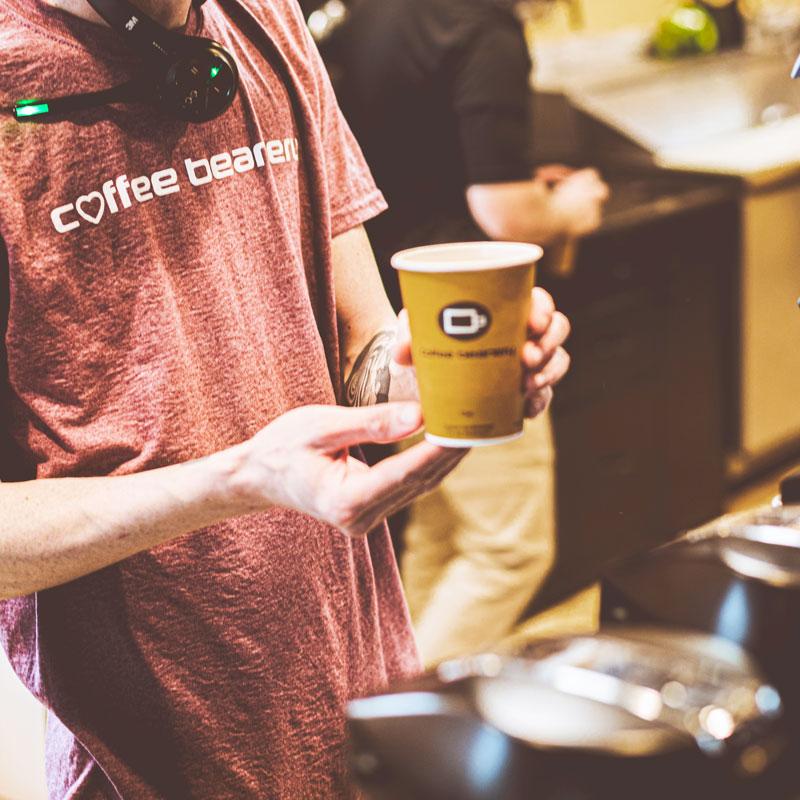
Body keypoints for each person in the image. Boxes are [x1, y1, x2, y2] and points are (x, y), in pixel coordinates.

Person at [0, 0, 572, 797]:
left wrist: (453, 369)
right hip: (154, 751)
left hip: (351, 674)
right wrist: (238, 480)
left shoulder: (265, 20)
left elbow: (365, 351)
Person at [324, 0, 609, 665]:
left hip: (382, 320)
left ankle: (392, 731)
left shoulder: (365, 13)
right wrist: (569, 206)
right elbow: (502, 210)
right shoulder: (484, 25)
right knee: (508, 550)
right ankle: (392, 726)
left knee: (443, 535)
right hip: (466, 321)